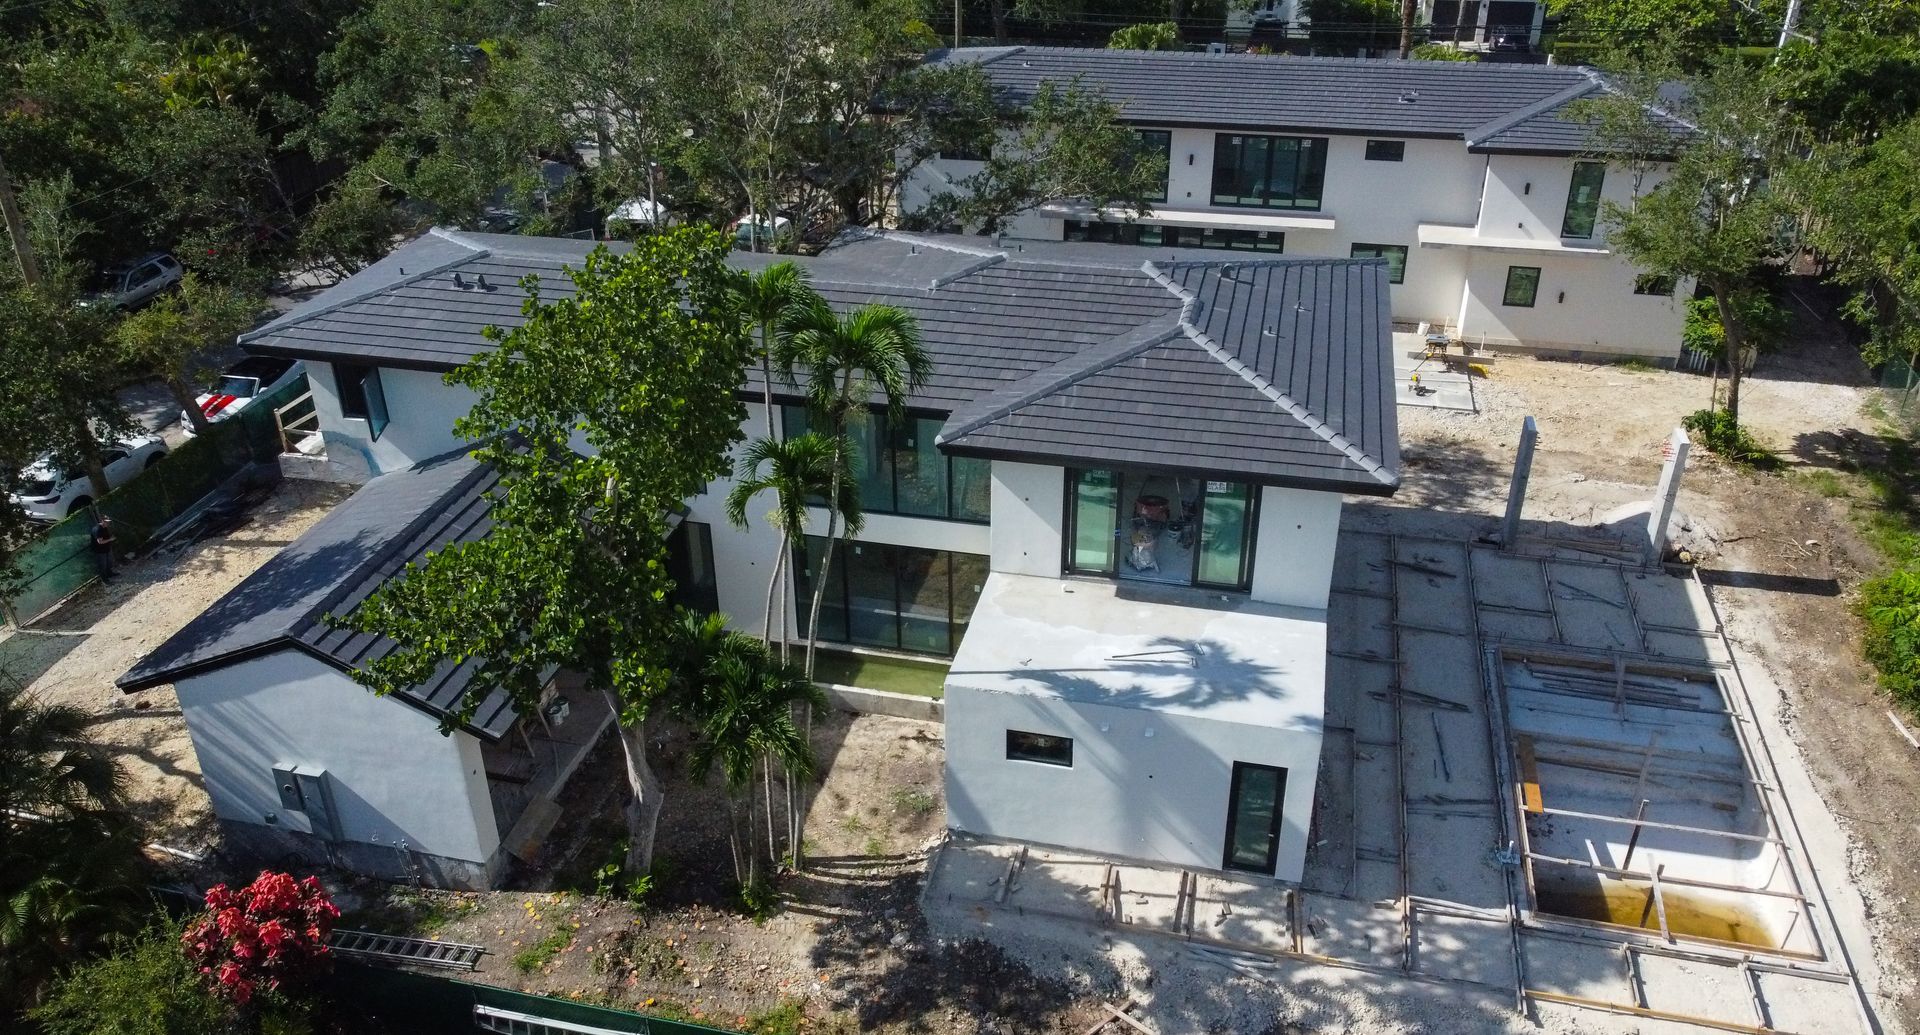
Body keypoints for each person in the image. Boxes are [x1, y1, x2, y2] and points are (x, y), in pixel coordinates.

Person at [89, 515, 116, 579]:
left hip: (106, 548)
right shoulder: (98, 529)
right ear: (102, 521)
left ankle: (110, 573)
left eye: (108, 522)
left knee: (109, 562)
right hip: (100, 551)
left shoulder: (105, 527)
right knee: (102, 566)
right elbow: (100, 542)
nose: (108, 523)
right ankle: (104, 580)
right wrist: (110, 539)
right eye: (106, 522)